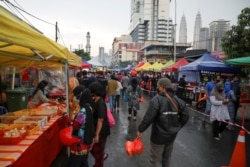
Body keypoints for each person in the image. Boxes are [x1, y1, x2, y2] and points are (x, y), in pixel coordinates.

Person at [136, 78, 189, 167]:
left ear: (162, 87)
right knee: (166, 158)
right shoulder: (178, 100)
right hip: (171, 136)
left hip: (158, 137)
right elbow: (185, 116)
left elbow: (148, 117)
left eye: (158, 86)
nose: (157, 88)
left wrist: (140, 129)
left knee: (155, 160)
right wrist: (177, 127)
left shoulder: (156, 100)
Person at [63, 85, 94, 167]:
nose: (75, 98)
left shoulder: (83, 111)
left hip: (81, 142)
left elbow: (75, 126)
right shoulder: (89, 106)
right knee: (83, 162)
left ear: (81, 96)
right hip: (87, 140)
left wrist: (67, 118)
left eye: (76, 96)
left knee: (75, 163)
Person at [88, 82, 111, 167]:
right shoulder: (94, 100)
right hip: (95, 130)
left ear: (94, 91)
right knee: (93, 150)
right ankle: (102, 156)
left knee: (98, 154)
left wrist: (97, 135)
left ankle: (100, 161)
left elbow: (100, 119)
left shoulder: (100, 102)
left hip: (101, 132)